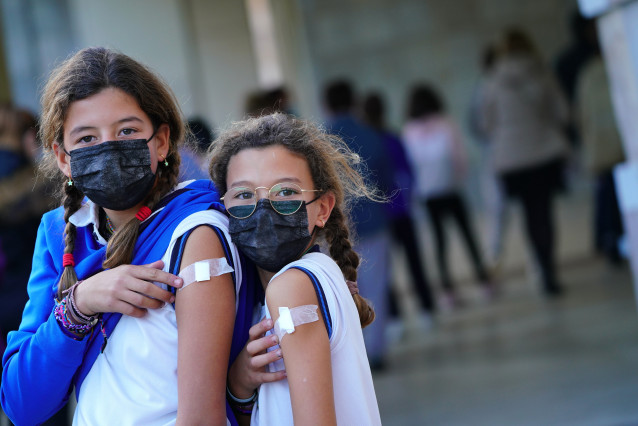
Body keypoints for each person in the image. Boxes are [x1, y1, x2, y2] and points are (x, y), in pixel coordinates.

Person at [0, 47, 257, 425]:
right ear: (62, 157)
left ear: (162, 141)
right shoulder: (59, 233)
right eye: (86, 138)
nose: (108, 147)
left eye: (127, 131)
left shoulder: (198, 228)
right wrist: (80, 303)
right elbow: (23, 405)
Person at [209, 112, 382, 425]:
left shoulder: (291, 287)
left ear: (323, 208)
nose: (262, 208)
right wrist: (241, 384)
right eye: (244, 195)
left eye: (286, 193)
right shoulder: (318, 275)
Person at [479, 29, 570, 297]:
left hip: (512, 160)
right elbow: (562, 112)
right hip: (544, 153)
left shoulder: (492, 80)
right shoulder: (542, 74)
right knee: (545, 212)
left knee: (530, 214)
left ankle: (542, 268)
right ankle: (549, 268)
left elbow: (486, 124)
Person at [322, 79, 394, 369]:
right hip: (374, 223)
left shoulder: (320, 140)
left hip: (334, 228)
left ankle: (351, 355)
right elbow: (388, 183)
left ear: (326, 104)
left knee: (341, 291)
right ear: (353, 101)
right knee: (374, 288)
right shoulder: (370, 134)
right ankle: (375, 351)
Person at [403, 84, 493, 308]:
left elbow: (411, 166)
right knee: (468, 236)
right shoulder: (446, 123)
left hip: (428, 193)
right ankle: (484, 283)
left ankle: (448, 291)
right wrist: (459, 178)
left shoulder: (409, 130)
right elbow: (459, 157)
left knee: (440, 243)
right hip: (451, 189)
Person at [362, 91, 435, 328]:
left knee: (384, 271)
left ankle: (394, 317)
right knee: (415, 262)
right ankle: (426, 309)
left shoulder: (368, 143)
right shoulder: (393, 138)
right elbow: (409, 173)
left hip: (382, 214)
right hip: (401, 210)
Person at [576, 51, 625, 265]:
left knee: (607, 193)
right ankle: (614, 239)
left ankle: (609, 239)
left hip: (601, 143)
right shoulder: (615, 68)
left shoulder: (588, 75)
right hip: (619, 141)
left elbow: (581, 115)